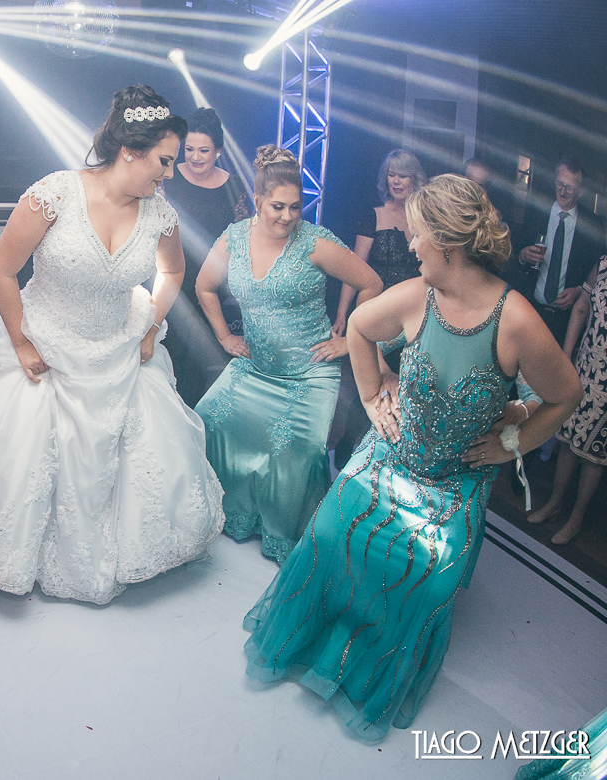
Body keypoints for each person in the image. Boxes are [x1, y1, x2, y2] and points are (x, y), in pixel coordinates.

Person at [244, 174, 581, 741]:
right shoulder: (417, 295)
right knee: (328, 531)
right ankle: (325, 638)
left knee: (426, 579)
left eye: (417, 233)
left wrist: (511, 444)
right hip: (391, 454)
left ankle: (371, 662)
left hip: (456, 481)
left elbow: (566, 395)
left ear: (446, 244)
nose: (409, 241)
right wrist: (373, 395)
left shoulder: (516, 319)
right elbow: (358, 328)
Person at [0, 85, 225, 605]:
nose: (170, 174)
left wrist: (151, 325)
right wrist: (21, 343)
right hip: (47, 345)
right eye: (164, 161)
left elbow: (173, 271)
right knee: (26, 456)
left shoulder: (161, 215)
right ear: (129, 151)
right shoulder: (55, 194)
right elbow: (2, 269)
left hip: (121, 348)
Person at [193, 146, 382, 564]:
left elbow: (372, 284)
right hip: (256, 366)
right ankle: (232, 513)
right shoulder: (234, 237)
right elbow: (204, 287)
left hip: (309, 373)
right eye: (277, 206)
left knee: (298, 451)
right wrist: (225, 336)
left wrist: (349, 340)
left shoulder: (316, 243)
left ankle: (282, 531)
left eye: (296, 207)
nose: (287, 216)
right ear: (257, 200)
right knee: (205, 421)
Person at [331, 149, 426, 468]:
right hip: (377, 314)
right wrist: (342, 313)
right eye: (391, 174)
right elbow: (354, 270)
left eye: (403, 175)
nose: (396, 181)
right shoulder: (374, 216)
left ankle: (388, 457)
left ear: (414, 179)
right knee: (371, 386)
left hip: (413, 317)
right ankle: (346, 453)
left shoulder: (424, 218)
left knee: (403, 388)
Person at [160, 107, 248, 405]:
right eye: (189, 149)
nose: (195, 157)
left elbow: (240, 240)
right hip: (168, 275)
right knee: (165, 352)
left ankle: (190, 418)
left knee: (198, 361)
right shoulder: (168, 176)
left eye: (204, 151)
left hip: (211, 285)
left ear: (218, 151)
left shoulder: (233, 185)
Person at [526, 252, 607, 545]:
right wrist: (567, 355)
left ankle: (577, 517)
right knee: (568, 438)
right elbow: (581, 307)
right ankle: (555, 503)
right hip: (585, 370)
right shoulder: (602, 264)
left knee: (594, 452)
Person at [504, 155, 604, 342]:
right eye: (559, 184)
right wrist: (523, 256)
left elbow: (597, 270)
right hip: (529, 311)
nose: (563, 192)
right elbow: (513, 251)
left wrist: (580, 291)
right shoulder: (536, 211)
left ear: (581, 191)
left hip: (565, 322)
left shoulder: (592, 225)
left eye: (570, 187)